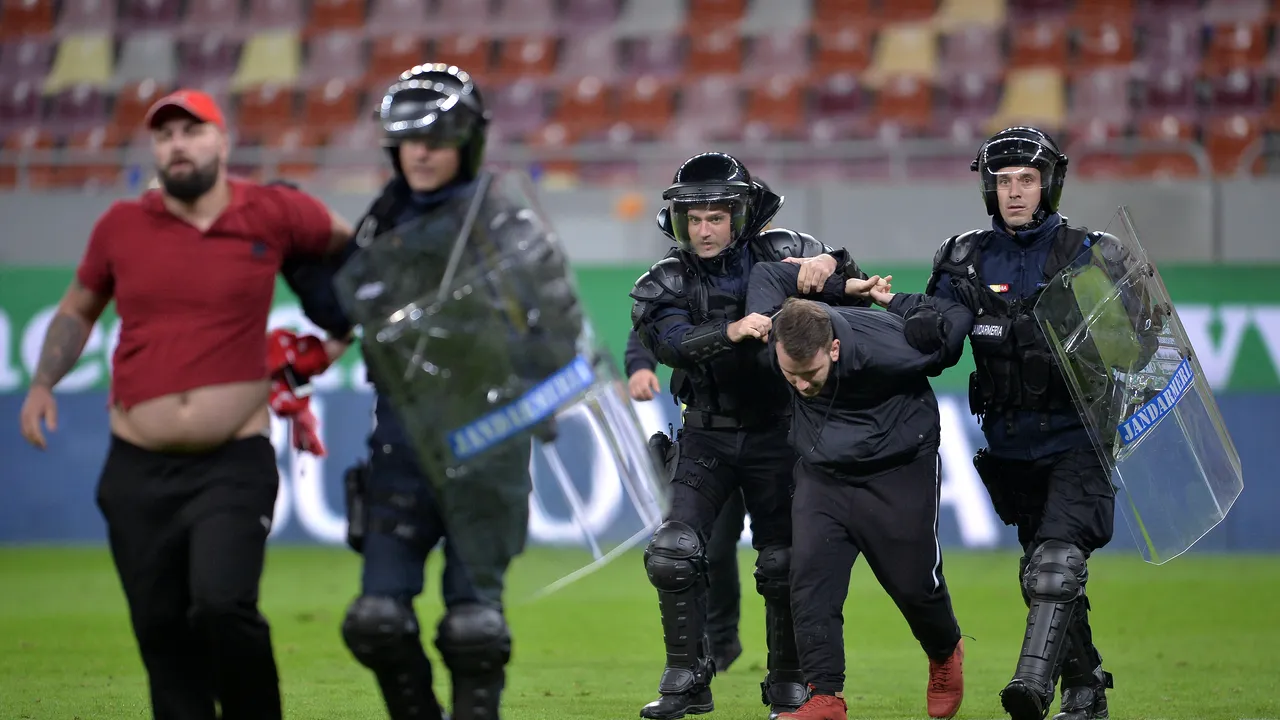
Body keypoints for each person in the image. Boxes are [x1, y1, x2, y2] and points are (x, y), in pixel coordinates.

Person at [17, 89, 353, 719]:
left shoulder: (274, 212)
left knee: (223, 604)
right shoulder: (121, 226)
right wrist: (42, 383)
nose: (178, 144)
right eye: (165, 134)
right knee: (161, 629)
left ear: (222, 142)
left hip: (233, 460)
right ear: (155, 150)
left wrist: (344, 331)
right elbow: (78, 308)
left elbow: (352, 250)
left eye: (192, 131)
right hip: (137, 468)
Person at [279, 64, 535, 720]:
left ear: (467, 143)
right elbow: (343, 310)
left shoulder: (501, 218)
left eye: (438, 136)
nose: (421, 151)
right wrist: (287, 234)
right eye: (408, 138)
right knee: (376, 621)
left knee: (474, 630)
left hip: (485, 442)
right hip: (399, 441)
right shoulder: (386, 214)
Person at [629, 151, 868, 720]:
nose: (704, 230)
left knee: (784, 562)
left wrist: (830, 267)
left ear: (739, 215)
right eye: (694, 218)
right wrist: (732, 330)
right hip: (705, 436)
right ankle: (687, 679)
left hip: (781, 436)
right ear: (679, 222)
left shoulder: (785, 251)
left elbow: (844, 278)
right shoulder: (665, 280)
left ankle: (788, 682)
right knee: (672, 551)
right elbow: (670, 344)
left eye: (715, 216)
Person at [915, 126, 1119, 720]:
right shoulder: (963, 258)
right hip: (1008, 444)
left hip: (1079, 437)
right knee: (1043, 572)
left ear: (1049, 184)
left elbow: (1134, 346)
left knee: (1055, 566)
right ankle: (1086, 694)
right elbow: (939, 343)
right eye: (1002, 182)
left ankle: (1029, 689)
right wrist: (910, 318)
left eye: (1026, 180)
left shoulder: (1089, 253)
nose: (1013, 193)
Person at [744, 263, 971, 720]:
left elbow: (958, 316)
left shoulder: (892, 346)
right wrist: (827, 273)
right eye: (792, 377)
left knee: (913, 586)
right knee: (808, 580)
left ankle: (945, 651)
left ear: (835, 346)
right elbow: (767, 272)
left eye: (810, 374)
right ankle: (825, 696)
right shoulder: (775, 340)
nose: (802, 386)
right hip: (823, 473)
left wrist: (898, 303)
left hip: (898, 468)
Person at [626, 329, 747, 672]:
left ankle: (790, 668)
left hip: (772, 434)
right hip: (708, 438)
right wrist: (640, 366)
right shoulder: (687, 281)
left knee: (783, 554)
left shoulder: (767, 279)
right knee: (710, 546)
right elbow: (652, 323)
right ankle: (719, 640)